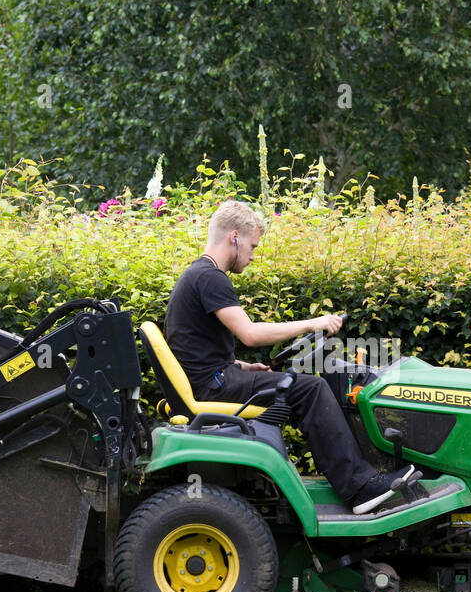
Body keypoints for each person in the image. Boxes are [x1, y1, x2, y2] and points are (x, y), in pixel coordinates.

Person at [164, 200, 415, 514]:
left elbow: (196, 351)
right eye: (253, 246)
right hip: (215, 385)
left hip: (217, 379)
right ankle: (360, 487)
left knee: (302, 387)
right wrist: (314, 322)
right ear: (234, 237)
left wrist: (243, 366)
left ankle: (354, 478)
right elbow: (251, 335)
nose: (253, 256)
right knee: (311, 390)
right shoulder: (211, 278)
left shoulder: (197, 275)